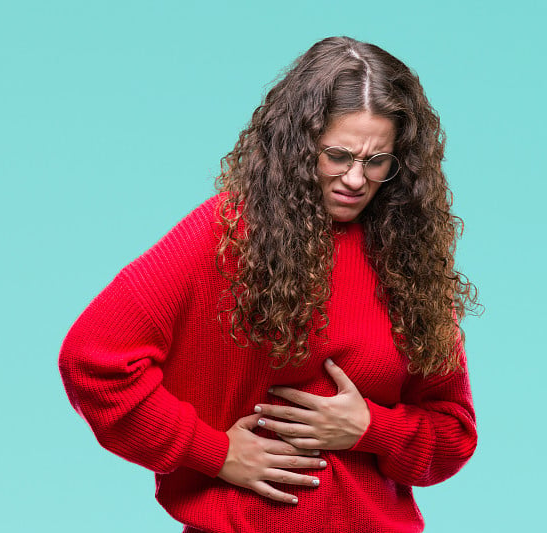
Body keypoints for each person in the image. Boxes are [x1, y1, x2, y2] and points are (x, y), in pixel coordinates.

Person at [58, 36, 479, 533]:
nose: (355, 179)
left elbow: (452, 432)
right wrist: (213, 452)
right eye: (338, 155)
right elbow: (91, 361)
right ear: (301, 146)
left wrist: (370, 429)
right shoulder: (225, 234)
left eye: (376, 161)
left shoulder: (408, 261)